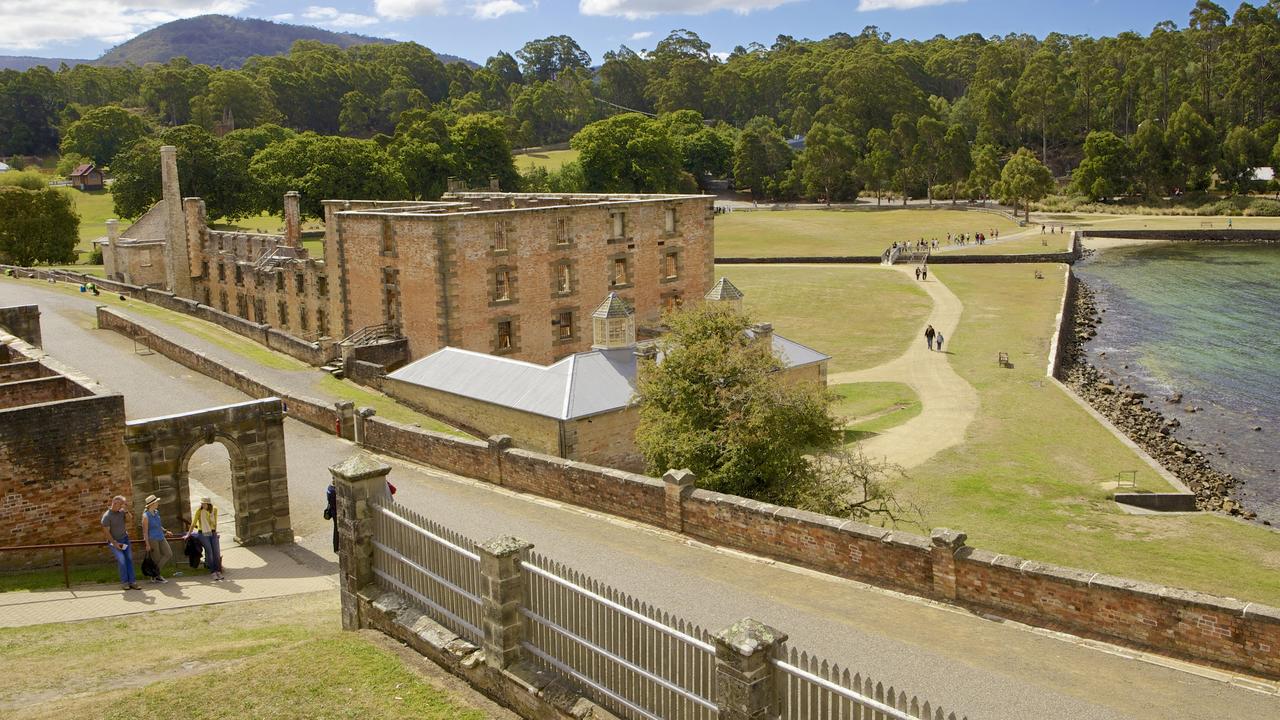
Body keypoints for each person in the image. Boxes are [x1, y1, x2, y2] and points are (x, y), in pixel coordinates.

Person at [100, 495, 140, 591]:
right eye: (121, 504)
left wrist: (126, 510)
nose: (123, 506)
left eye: (124, 504)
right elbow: (106, 533)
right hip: (114, 542)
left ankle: (132, 582)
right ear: (115, 503)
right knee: (122, 560)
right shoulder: (106, 516)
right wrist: (115, 543)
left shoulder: (122, 512)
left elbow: (130, 520)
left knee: (129, 559)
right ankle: (124, 583)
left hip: (125, 539)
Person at [189, 497, 224, 581]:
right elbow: (193, 523)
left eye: (204, 503)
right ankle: (213, 572)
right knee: (210, 552)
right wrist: (188, 534)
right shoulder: (199, 511)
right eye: (202, 503)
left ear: (208, 504)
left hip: (212, 533)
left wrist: (215, 532)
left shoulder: (214, 510)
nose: (202, 505)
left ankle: (218, 571)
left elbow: (215, 522)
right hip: (203, 533)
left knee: (216, 552)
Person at [141, 494, 172, 583]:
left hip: (161, 537)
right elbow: (145, 532)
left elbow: (158, 525)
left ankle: (154, 574)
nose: (158, 503)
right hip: (152, 539)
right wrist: (147, 544)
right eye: (156, 502)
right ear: (152, 504)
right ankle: (157, 576)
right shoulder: (145, 516)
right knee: (156, 558)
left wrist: (166, 531)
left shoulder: (156, 512)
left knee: (168, 553)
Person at [325, 481, 338, 553]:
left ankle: (336, 547)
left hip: (332, 511)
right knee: (337, 530)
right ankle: (336, 547)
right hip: (335, 512)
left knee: (336, 529)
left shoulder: (329, 488)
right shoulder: (333, 491)